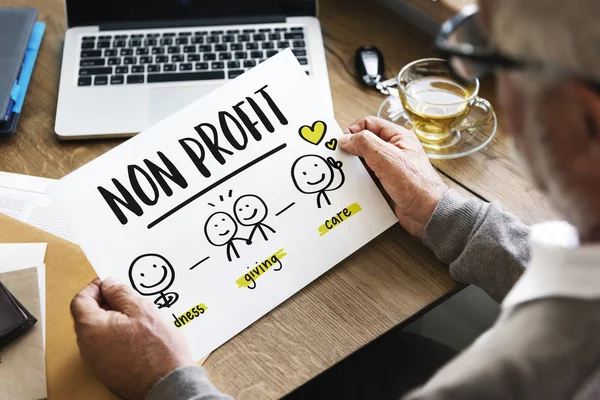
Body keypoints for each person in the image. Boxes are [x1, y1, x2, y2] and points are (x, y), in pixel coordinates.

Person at [69, 0, 600, 398]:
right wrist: (448, 215)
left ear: (585, 120)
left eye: (491, 62)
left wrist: (167, 381)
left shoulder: (538, 363)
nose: (496, 92)